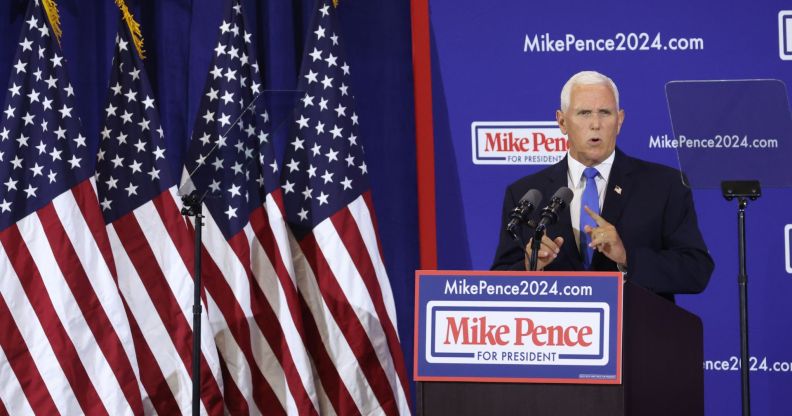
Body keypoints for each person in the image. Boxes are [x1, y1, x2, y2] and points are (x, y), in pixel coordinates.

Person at [491, 71, 713, 300]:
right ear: (562, 121)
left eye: (605, 113)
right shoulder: (526, 194)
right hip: (557, 332)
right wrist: (530, 266)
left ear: (619, 120)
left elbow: (696, 271)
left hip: (635, 331)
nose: (595, 124)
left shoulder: (664, 185)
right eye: (584, 113)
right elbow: (499, 279)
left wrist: (627, 257)